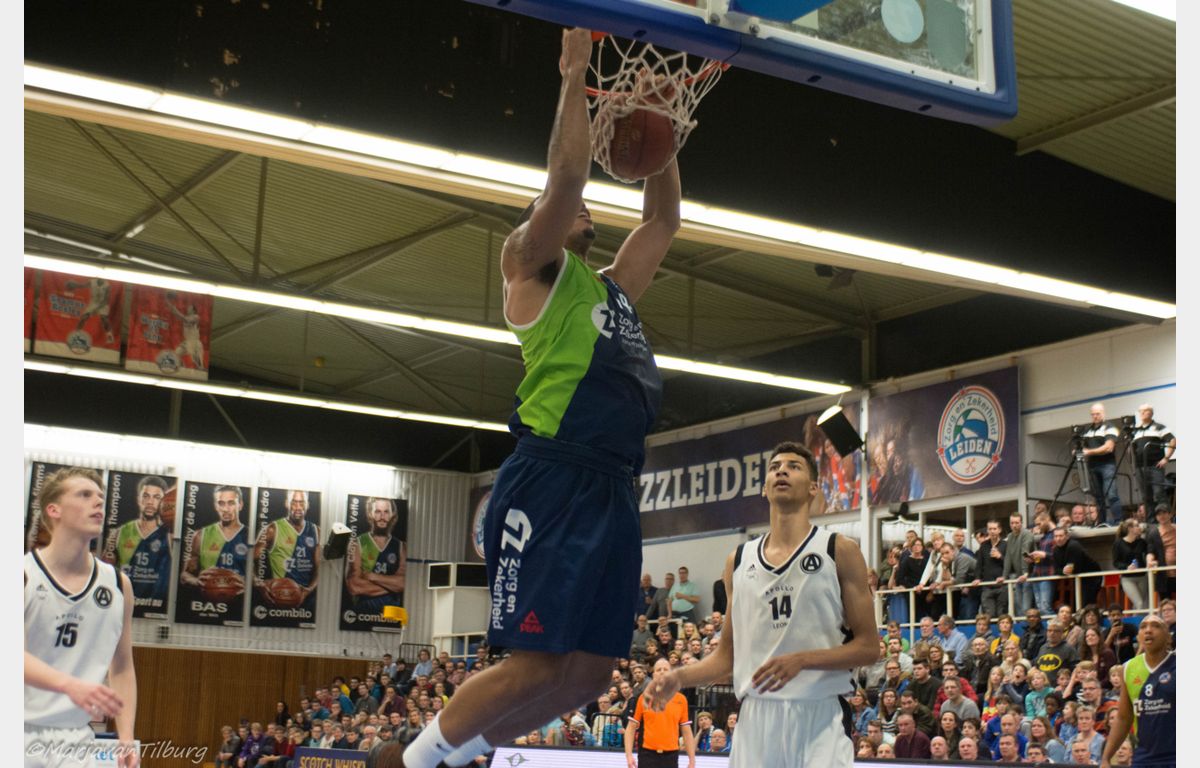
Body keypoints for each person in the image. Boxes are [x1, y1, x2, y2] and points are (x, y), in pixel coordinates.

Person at [400, 29, 679, 768]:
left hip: (615, 486)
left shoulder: (611, 290)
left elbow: (662, 223)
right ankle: (414, 761)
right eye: (562, 207)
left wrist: (663, 126)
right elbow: (566, 177)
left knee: (586, 676)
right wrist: (575, 73)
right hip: (554, 476)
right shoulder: (529, 265)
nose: (580, 208)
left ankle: (460, 756)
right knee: (534, 663)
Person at [646, 442, 879, 768]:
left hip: (820, 715)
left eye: (794, 466)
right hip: (756, 719)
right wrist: (679, 677)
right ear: (764, 488)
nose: (782, 471)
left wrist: (803, 660)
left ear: (813, 488)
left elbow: (869, 648)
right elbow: (727, 657)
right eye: (775, 467)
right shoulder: (738, 560)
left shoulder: (838, 550)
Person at [24, 467, 139, 768]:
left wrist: (126, 736)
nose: (98, 502)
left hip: (76, 739)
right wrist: (69, 684)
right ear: (54, 510)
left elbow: (122, 666)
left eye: (100, 496)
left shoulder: (118, 585)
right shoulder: (23, 575)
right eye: (85, 495)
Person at [1100, 614, 1174, 768]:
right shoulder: (1128, 668)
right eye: (1143, 627)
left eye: (1156, 626)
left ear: (1168, 637)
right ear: (1139, 637)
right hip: (1144, 757)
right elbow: (1123, 718)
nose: (1148, 630)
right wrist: (1106, 758)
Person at [101, 474, 172, 610]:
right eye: (146, 496)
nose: (150, 502)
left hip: (155, 608)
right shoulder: (119, 533)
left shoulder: (169, 535)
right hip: (122, 606)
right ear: (138, 499)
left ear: (164, 502)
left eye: (157, 497)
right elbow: (105, 572)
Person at [253, 489, 320, 606]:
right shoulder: (272, 529)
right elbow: (249, 560)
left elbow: (320, 569)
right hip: (277, 596)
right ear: (286, 503)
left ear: (308, 505)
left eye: (302, 502)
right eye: (294, 502)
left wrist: (309, 590)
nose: (298, 507)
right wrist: (258, 582)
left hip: (305, 599)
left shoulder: (316, 531)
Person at [624, 659, 695, 767]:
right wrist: (629, 755)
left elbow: (686, 731)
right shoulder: (643, 698)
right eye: (658, 670)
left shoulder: (681, 700)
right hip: (647, 755)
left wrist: (692, 760)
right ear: (653, 675)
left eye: (666, 669)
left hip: (671, 756)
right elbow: (631, 727)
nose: (662, 672)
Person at [344, 497, 407, 616]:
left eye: (386, 512)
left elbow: (403, 583)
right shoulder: (357, 543)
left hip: (391, 615)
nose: (382, 517)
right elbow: (354, 586)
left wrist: (372, 576)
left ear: (392, 515)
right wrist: (392, 586)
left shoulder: (401, 547)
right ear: (370, 514)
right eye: (377, 511)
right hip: (363, 615)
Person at [180, 485, 248, 592]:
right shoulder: (201, 535)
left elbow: (258, 577)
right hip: (207, 598)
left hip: (239, 599)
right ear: (216, 506)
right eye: (221, 503)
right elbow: (185, 575)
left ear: (240, 505)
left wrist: (247, 583)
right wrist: (197, 581)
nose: (226, 509)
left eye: (231, 503)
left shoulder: (250, 537)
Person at [1080, 404, 1124, 525]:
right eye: (1093, 414)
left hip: (1107, 465)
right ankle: (1101, 522)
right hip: (1092, 466)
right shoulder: (1087, 430)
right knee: (1098, 497)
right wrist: (1078, 451)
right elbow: (1082, 447)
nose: (1095, 416)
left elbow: (1109, 447)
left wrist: (1088, 452)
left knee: (1111, 494)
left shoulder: (1110, 427)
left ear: (1103, 413)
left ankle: (1118, 522)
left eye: (1098, 414)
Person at [1129, 403, 1175, 511]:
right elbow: (1132, 448)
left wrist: (1166, 458)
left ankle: (1165, 518)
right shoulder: (1136, 431)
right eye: (1140, 411)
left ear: (1151, 413)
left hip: (1155, 466)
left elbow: (1172, 441)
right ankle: (1150, 520)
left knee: (1159, 493)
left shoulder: (1159, 427)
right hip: (1140, 467)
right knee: (1146, 497)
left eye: (1145, 410)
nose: (1142, 413)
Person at [1052, 526, 1103, 607]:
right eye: (1056, 536)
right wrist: (1063, 571)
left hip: (1091, 575)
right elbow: (1056, 570)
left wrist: (1066, 571)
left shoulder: (1073, 546)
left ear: (1067, 536)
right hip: (1076, 577)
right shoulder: (1056, 550)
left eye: (1061, 536)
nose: (1058, 539)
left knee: (1086, 602)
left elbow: (1075, 567)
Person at [970, 520, 1007, 620]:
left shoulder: (1005, 545)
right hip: (987, 586)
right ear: (987, 530)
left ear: (999, 530)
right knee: (988, 615)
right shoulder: (984, 545)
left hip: (1002, 585)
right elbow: (979, 564)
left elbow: (1010, 565)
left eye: (994, 529)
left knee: (1002, 614)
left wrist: (1000, 557)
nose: (992, 531)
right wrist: (977, 578)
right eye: (990, 529)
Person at [1024, 509, 1057, 616]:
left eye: (1039, 524)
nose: (1038, 527)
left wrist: (1044, 554)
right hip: (1037, 574)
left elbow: (1059, 556)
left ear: (1047, 520)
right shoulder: (1044, 537)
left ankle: (1056, 624)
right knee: (1040, 608)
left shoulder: (1056, 535)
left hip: (1048, 574)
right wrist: (1033, 559)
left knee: (1045, 607)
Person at [1003, 512, 1036, 614]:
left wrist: (1025, 573)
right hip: (1018, 575)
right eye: (1012, 523)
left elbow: (1025, 553)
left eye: (1017, 523)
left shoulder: (1027, 534)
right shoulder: (1010, 536)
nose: (1014, 525)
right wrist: (1004, 576)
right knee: (1018, 605)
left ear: (1021, 523)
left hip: (1029, 574)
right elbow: (1008, 557)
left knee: (1026, 606)